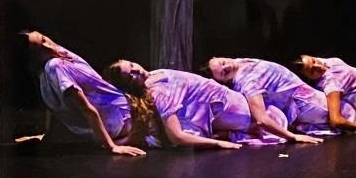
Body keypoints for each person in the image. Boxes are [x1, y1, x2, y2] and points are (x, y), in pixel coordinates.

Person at [106, 61, 308, 148]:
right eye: (130, 75)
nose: (136, 71)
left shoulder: (156, 75)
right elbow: (177, 136)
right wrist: (218, 143)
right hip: (239, 112)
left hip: (234, 104)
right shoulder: (158, 93)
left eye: (132, 66)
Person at [21, 31, 145, 156]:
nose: (48, 46)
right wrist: (112, 146)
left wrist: (111, 146)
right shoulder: (52, 67)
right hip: (121, 119)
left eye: (43, 39)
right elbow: (75, 108)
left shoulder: (56, 58)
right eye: (39, 49)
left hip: (125, 114)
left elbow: (82, 109)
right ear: (32, 58)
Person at [207, 55, 335, 135]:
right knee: (342, 118)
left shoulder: (240, 61)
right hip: (307, 105)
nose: (228, 66)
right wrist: (292, 137)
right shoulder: (247, 82)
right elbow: (261, 119)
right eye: (224, 73)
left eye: (223, 63)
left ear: (217, 57)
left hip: (310, 94)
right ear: (223, 81)